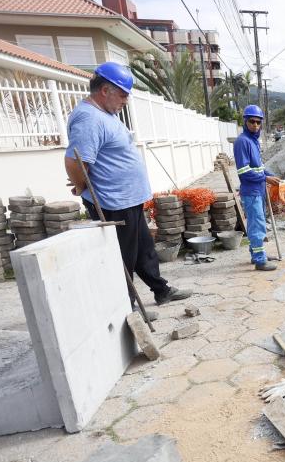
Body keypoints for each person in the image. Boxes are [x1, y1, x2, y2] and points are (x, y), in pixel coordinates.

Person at [64, 62, 190, 307]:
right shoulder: (89, 118)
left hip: (127, 199)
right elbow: (75, 161)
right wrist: (80, 187)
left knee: (144, 249)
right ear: (105, 90)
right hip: (113, 203)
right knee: (123, 257)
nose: (126, 100)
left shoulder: (105, 115)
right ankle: (126, 308)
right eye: (123, 95)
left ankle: (161, 290)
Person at [233, 104, 281, 271]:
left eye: (258, 122)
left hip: (259, 190)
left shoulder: (254, 141)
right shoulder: (242, 142)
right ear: (245, 121)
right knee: (257, 225)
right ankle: (260, 260)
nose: (255, 125)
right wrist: (266, 178)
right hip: (251, 191)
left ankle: (257, 254)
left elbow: (259, 166)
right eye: (252, 121)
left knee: (258, 223)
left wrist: (271, 175)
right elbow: (244, 171)